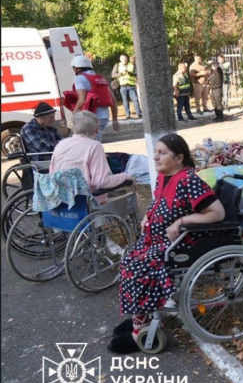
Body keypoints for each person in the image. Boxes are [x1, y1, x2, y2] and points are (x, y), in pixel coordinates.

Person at [108, 133, 225, 354]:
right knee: (129, 261)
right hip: (157, 239)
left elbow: (217, 213)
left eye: (162, 153)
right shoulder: (165, 176)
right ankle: (140, 317)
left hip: (181, 244)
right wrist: (148, 217)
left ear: (179, 158)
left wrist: (182, 221)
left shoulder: (189, 181)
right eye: (156, 152)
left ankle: (137, 333)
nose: (155, 157)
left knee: (137, 269)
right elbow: (160, 201)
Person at [49, 111, 132, 203]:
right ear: (96, 129)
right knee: (133, 198)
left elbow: (52, 173)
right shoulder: (94, 146)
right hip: (87, 203)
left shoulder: (61, 144)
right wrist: (126, 177)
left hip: (60, 200)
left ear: (73, 128)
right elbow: (101, 182)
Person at [70, 55, 119, 143]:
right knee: (95, 143)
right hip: (104, 117)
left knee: (90, 145)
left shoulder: (79, 78)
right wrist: (115, 120)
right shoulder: (100, 78)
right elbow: (113, 100)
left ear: (77, 69)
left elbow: (82, 99)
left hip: (90, 118)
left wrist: (75, 112)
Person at [111, 53, 141, 119]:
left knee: (135, 99)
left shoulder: (132, 65)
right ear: (120, 59)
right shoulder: (117, 65)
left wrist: (131, 73)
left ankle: (138, 113)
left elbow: (137, 73)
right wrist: (121, 74)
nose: (125, 60)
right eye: (123, 59)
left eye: (126, 58)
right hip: (123, 86)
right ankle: (128, 114)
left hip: (131, 85)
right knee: (125, 100)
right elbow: (113, 75)